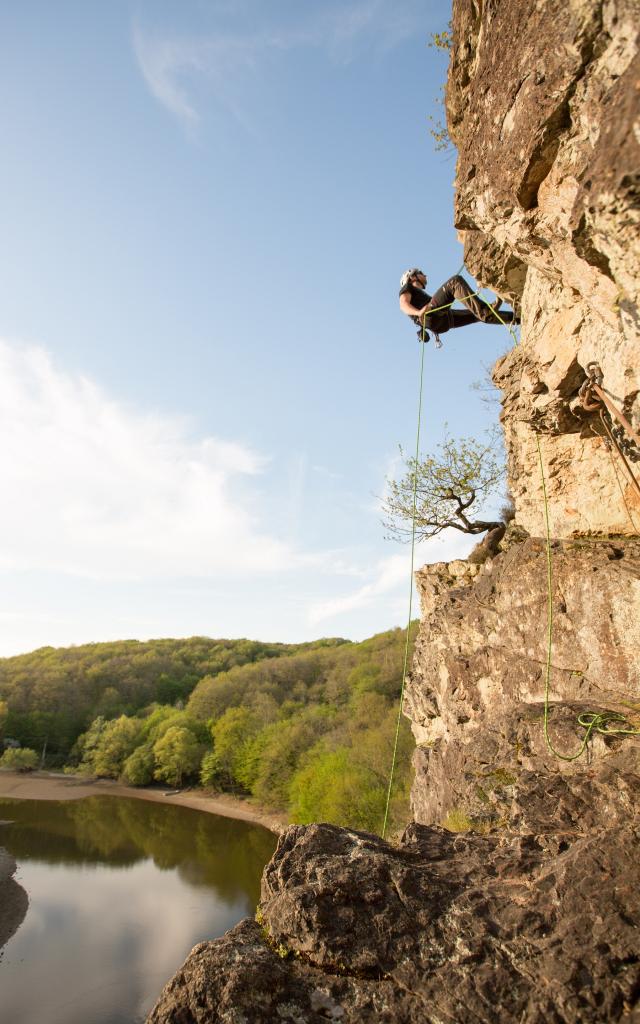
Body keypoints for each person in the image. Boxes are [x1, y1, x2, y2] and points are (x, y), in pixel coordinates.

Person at [399, 269, 518, 344]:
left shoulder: (421, 294)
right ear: (411, 277)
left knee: (475, 315)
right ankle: (485, 311)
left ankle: (517, 318)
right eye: (420, 272)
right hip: (430, 317)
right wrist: (418, 313)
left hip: (443, 321)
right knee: (454, 282)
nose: (424, 274)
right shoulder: (407, 288)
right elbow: (403, 304)